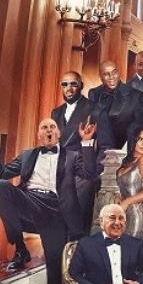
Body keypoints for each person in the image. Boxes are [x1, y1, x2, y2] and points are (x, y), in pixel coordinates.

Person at [0, 119, 98, 284]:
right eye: (44, 127)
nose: (49, 130)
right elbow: (1, 173)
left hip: (56, 208)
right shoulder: (27, 155)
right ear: (39, 135)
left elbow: (89, 174)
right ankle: (20, 245)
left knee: (55, 263)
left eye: (52, 127)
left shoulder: (72, 156)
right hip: (29, 199)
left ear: (58, 134)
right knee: (0, 186)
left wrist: (86, 142)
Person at [51, 71, 112, 233]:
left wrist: (94, 172)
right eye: (65, 84)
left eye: (73, 84)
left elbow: (106, 145)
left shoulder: (96, 110)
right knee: (58, 224)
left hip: (83, 174)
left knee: (78, 225)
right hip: (59, 173)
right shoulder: (56, 113)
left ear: (81, 86)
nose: (69, 88)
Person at [89, 60, 143, 149]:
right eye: (106, 74)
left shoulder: (136, 96)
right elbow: (92, 122)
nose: (111, 77)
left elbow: (141, 127)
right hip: (100, 150)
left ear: (118, 72)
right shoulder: (94, 93)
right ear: (100, 76)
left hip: (124, 149)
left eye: (114, 72)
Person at [116, 128, 143, 241]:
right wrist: (119, 197)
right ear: (133, 140)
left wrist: (127, 201)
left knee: (129, 246)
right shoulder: (127, 161)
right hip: (124, 213)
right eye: (140, 139)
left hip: (137, 214)